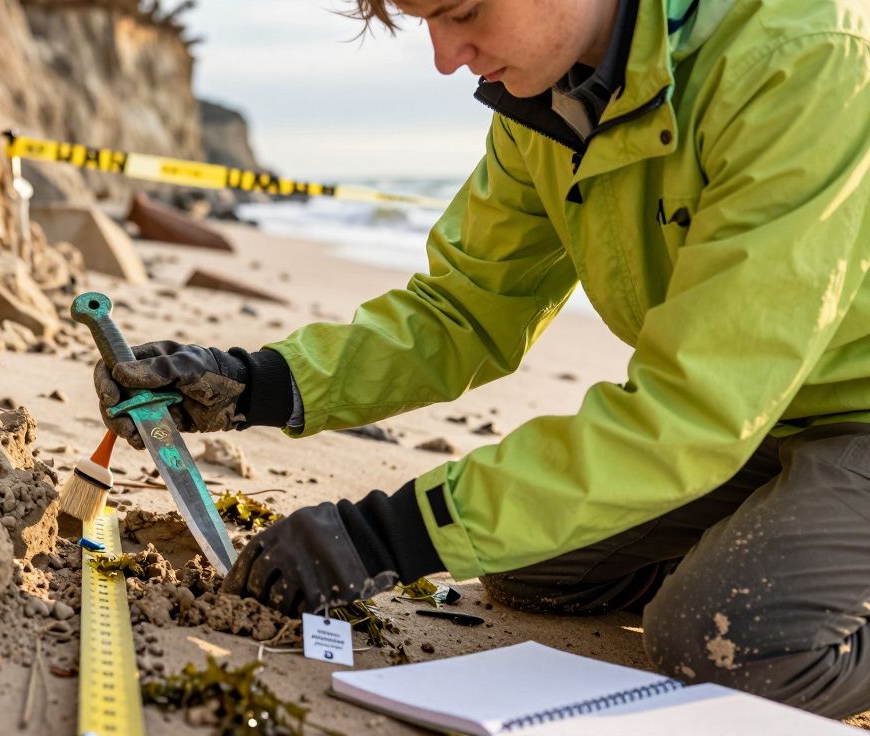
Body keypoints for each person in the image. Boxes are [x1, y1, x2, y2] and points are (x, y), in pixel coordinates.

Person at [94, 0, 870, 717]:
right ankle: (800, 548)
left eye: (464, 12)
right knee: (535, 567)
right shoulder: (555, 96)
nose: (444, 58)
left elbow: (695, 408)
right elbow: (463, 309)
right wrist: (256, 383)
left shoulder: (803, 58)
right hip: (759, 414)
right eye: (424, 21)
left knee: (725, 641)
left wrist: (385, 535)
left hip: (843, 414)